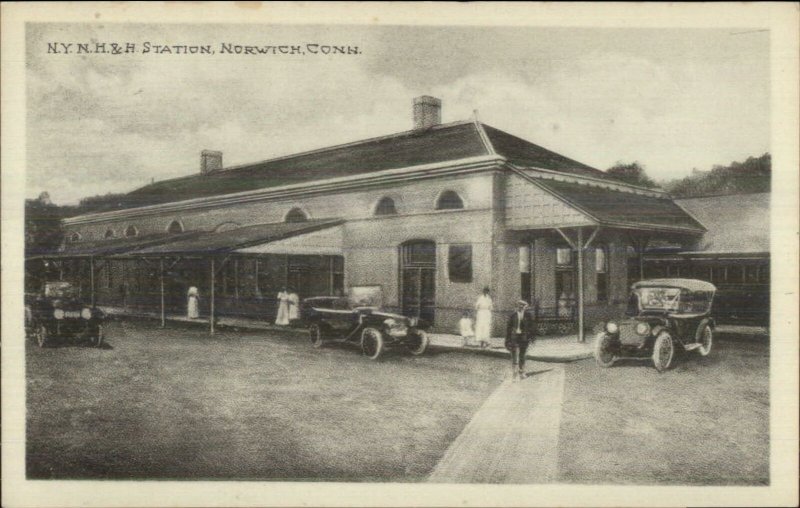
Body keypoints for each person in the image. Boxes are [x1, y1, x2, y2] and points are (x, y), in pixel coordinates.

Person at [505, 300, 535, 381]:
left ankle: (522, 372)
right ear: (517, 306)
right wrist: (507, 340)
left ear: (525, 307)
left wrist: (531, 338)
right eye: (519, 305)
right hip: (514, 337)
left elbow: (532, 327)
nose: (521, 307)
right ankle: (514, 374)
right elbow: (508, 328)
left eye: (523, 306)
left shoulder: (528, 315)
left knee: (522, 355)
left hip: (524, 338)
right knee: (514, 355)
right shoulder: (513, 315)